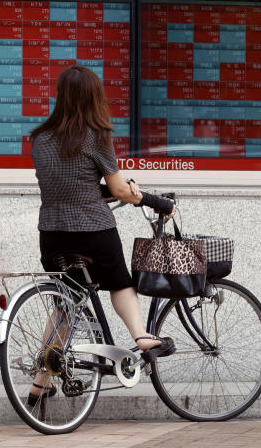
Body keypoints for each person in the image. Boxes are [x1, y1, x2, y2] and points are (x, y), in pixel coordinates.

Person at [28, 65, 175, 405]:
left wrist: (101, 191)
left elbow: (67, 184)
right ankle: (140, 337)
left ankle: (40, 382)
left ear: (61, 96)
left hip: (52, 234)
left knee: (66, 305)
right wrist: (155, 201)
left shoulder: (40, 139)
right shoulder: (95, 135)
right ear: (94, 97)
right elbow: (121, 190)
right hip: (93, 231)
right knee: (121, 283)